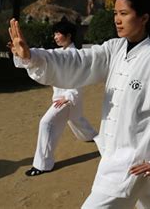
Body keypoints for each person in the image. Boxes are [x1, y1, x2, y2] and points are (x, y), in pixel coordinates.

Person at [9, 0, 150, 208]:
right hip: (112, 151)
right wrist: (33, 57)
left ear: (144, 17)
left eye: (124, 14)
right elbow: (79, 61)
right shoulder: (114, 49)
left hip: (133, 160)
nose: (117, 20)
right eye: (115, 14)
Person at [16, 21, 98, 176]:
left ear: (69, 36)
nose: (55, 37)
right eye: (54, 34)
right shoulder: (61, 52)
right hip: (66, 99)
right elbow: (45, 56)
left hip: (67, 99)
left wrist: (68, 96)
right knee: (76, 119)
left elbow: (79, 79)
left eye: (58, 34)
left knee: (46, 122)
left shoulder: (75, 55)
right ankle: (93, 136)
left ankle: (43, 164)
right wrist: (24, 54)